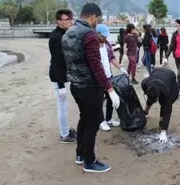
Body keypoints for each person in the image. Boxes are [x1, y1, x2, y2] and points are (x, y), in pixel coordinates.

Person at [62, 3, 120, 172]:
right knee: (92, 124)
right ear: (93, 17)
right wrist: (110, 89)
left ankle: (80, 154)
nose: (97, 23)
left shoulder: (68, 32)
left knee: (84, 119)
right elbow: (96, 66)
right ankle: (90, 161)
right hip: (89, 87)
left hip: (76, 86)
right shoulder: (89, 35)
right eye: (98, 20)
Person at [48, 9, 76, 143]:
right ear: (58, 21)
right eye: (67, 19)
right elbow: (56, 63)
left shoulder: (64, 34)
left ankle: (65, 130)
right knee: (62, 106)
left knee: (65, 104)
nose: (70, 21)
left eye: (70, 18)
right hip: (59, 77)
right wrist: (60, 85)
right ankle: (64, 135)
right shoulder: (56, 38)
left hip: (65, 75)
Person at [96, 24, 128, 131]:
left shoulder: (107, 45)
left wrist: (121, 68)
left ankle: (109, 119)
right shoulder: (94, 47)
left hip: (109, 76)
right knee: (99, 100)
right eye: (103, 36)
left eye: (106, 36)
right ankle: (101, 121)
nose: (105, 38)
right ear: (97, 34)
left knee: (110, 99)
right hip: (99, 78)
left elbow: (112, 58)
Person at [142, 68, 179, 143]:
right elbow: (150, 94)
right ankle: (146, 111)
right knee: (151, 96)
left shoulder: (167, 93)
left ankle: (161, 125)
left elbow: (167, 112)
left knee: (165, 105)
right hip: (157, 71)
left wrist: (164, 131)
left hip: (170, 76)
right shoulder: (145, 84)